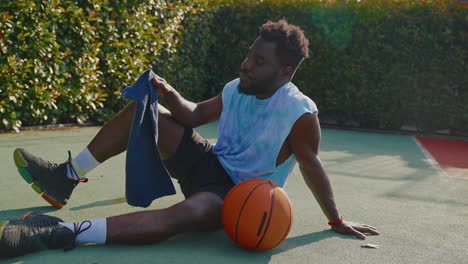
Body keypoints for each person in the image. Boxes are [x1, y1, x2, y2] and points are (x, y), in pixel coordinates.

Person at [0, 19, 379, 258]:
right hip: (207, 161)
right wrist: (166, 92)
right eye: (249, 55)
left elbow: (312, 166)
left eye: (258, 62)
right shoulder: (238, 87)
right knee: (144, 112)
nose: (246, 64)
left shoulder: (299, 113)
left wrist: (336, 219)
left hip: (235, 195)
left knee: (187, 216)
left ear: (284, 71)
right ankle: (65, 176)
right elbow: (195, 115)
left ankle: (58, 233)